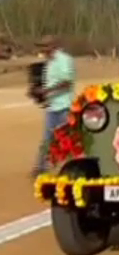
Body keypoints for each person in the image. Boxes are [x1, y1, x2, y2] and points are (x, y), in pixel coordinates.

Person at [32, 35, 74, 177]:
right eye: (41, 47)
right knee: (48, 138)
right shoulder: (48, 63)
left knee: (67, 139)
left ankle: (71, 167)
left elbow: (67, 82)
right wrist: (40, 94)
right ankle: (40, 167)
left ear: (53, 46)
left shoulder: (64, 60)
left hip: (64, 106)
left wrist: (48, 91)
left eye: (45, 46)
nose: (43, 49)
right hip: (52, 106)